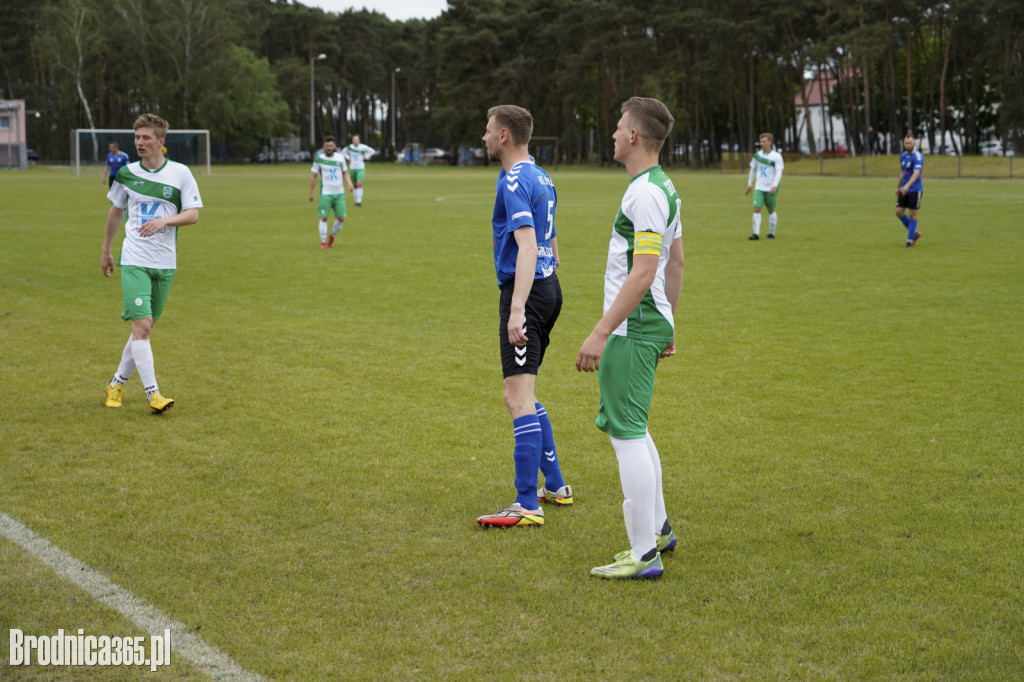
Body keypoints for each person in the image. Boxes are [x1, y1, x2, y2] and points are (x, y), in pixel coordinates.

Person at [576, 96, 684, 579]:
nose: (615, 134)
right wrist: (670, 325)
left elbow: (643, 272)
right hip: (649, 324)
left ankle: (643, 553)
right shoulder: (665, 188)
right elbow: (675, 264)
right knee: (636, 428)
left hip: (632, 326)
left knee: (627, 434)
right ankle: (657, 530)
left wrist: (601, 332)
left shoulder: (644, 193)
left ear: (635, 136)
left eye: (620, 127)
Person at [476, 104, 572, 528]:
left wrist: (518, 310)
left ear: (503, 136)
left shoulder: (516, 179)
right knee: (526, 392)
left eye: (487, 130)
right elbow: (552, 241)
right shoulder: (541, 175)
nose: (483, 137)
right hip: (548, 289)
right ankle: (555, 484)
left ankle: (526, 503)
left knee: (516, 397)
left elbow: (530, 246)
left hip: (527, 293)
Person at [101, 114, 203, 414]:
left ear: (161, 141)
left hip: (165, 263)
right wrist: (106, 251)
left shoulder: (181, 173)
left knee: (142, 331)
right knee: (142, 326)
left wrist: (164, 221)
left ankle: (116, 383)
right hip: (134, 260)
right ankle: (153, 394)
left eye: (146, 138)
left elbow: (193, 214)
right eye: (137, 138)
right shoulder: (126, 173)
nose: (140, 143)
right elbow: (115, 213)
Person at [309, 135, 354, 249]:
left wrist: (349, 183)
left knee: (341, 218)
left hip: (339, 193)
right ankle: (323, 242)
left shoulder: (340, 158)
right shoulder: (319, 159)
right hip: (326, 193)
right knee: (324, 217)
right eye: (327, 146)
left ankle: (332, 236)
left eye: (331, 146)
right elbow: (314, 176)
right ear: (323, 146)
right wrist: (310, 192)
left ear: (334, 146)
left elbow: (345, 172)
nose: (329, 148)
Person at [745, 132, 784, 240]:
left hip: (771, 187)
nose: (761, 143)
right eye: (761, 141)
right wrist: (749, 184)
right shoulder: (757, 155)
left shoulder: (776, 156)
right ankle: (756, 234)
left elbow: (779, 172)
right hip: (759, 186)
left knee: (771, 210)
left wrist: (774, 186)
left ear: (770, 142)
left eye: (764, 141)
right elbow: (752, 170)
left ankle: (772, 233)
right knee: (757, 208)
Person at [895, 133, 923, 248]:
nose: (907, 145)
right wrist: (898, 186)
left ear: (914, 143)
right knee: (899, 212)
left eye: (910, 143)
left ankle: (910, 240)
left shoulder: (918, 156)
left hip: (915, 189)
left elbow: (916, 173)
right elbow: (902, 172)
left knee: (912, 214)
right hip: (904, 189)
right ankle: (915, 233)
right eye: (906, 143)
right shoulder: (903, 156)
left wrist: (907, 186)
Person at [341, 134, 376, 206]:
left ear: (359, 140)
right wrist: (348, 158)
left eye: (357, 139)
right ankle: (356, 200)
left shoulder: (363, 147)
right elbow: (343, 152)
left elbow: (372, 151)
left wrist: (366, 157)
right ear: (352, 140)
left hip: (360, 167)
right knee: (355, 185)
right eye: (354, 140)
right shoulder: (349, 147)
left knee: (359, 183)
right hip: (352, 167)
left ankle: (359, 201)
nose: (355, 141)